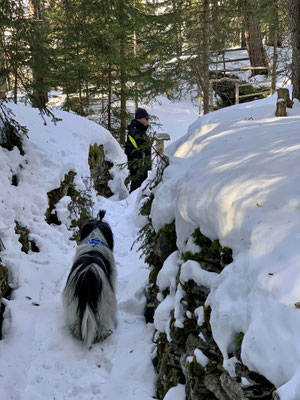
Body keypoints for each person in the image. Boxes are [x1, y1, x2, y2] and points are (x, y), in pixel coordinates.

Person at [125, 108, 152, 192]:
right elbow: (133, 150)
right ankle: (131, 204)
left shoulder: (141, 131)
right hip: (138, 166)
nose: (148, 120)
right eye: (146, 118)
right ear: (141, 119)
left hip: (142, 166)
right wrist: (140, 164)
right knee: (136, 188)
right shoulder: (134, 132)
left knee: (141, 188)